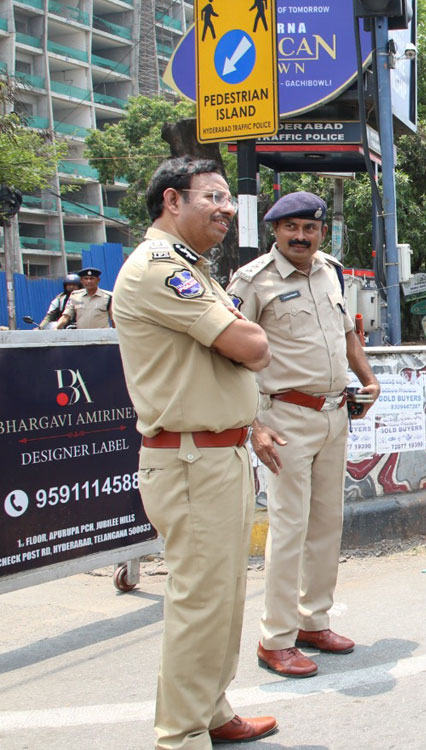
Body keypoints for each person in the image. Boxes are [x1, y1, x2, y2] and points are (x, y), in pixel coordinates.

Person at [112, 156, 277, 748]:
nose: (227, 208)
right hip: (187, 457)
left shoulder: (192, 267)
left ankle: (212, 707)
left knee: (225, 592)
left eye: (229, 198)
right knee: (199, 600)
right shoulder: (159, 268)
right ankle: (180, 735)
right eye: (212, 196)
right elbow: (249, 343)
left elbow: (236, 349)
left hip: (219, 453)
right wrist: (243, 341)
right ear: (172, 201)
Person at [226, 192, 381, 679]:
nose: (300, 237)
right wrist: (255, 425)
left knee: (325, 525)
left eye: (309, 229)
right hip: (285, 420)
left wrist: (368, 378)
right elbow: (229, 355)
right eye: (290, 228)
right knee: (289, 528)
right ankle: (276, 638)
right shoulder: (253, 281)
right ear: (275, 231)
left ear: (321, 232)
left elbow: (348, 335)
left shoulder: (330, 272)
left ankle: (314, 621)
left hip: (335, 415)